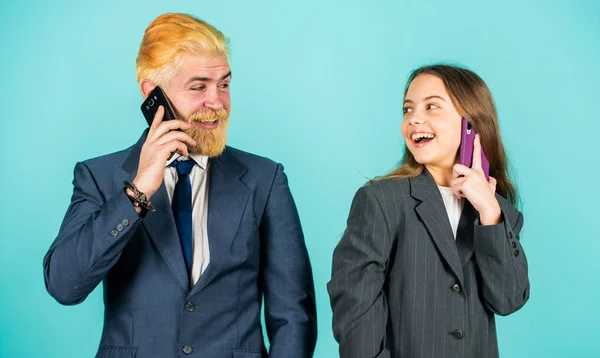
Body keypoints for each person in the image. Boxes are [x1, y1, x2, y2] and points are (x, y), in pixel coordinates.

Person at [44, 12, 317, 358]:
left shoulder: (265, 179)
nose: (216, 102)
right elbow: (64, 285)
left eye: (224, 84)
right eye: (199, 86)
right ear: (152, 94)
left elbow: (293, 314)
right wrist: (139, 189)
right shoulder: (100, 177)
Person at [327, 64, 529, 358]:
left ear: (471, 124)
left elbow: (509, 299)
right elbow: (355, 309)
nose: (414, 119)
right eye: (407, 109)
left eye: (431, 106)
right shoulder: (381, 200)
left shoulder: (499, 213)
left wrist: (488, 210)